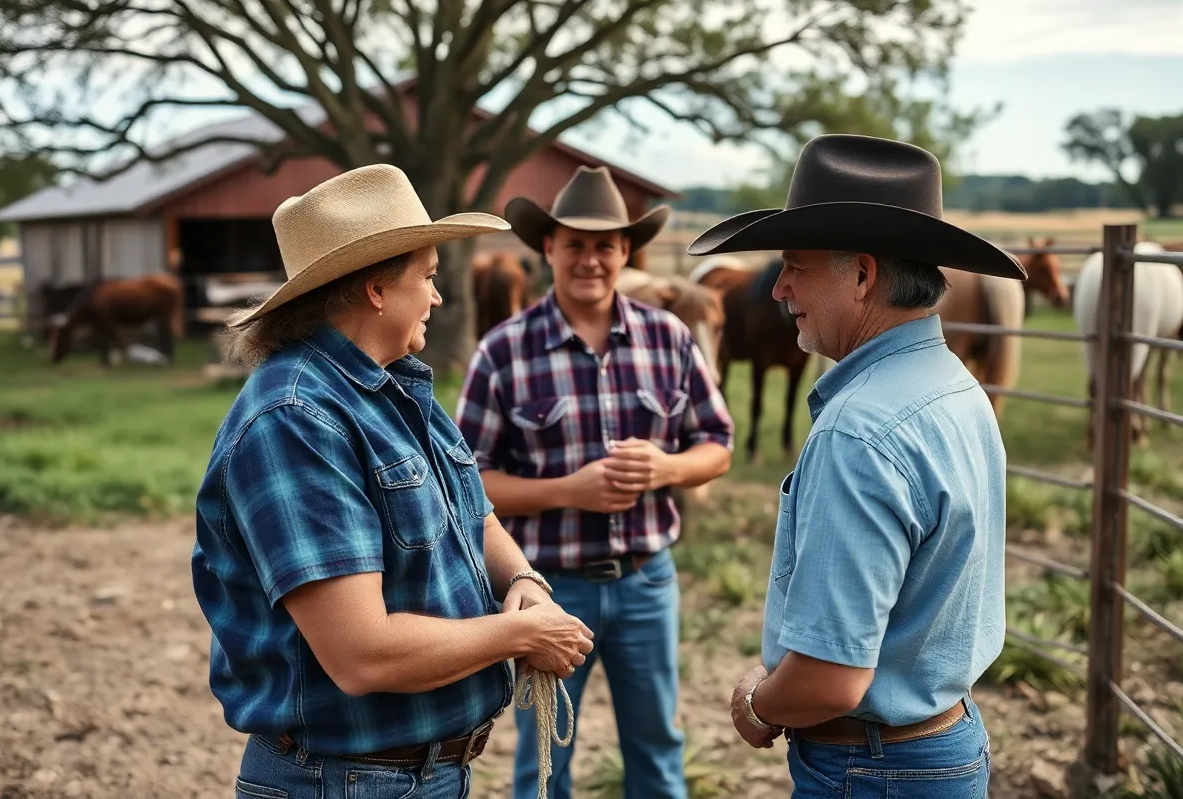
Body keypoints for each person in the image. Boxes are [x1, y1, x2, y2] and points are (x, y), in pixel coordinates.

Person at [190, 164, 594, 799]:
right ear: (376, 289)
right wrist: (519, 633)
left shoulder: (394, 387)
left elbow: (475, 511)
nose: (437, 296)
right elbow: (362, 654)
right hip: (345, 781)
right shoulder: (296, 421)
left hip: (408, 774)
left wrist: (521, 580)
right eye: (428, 277)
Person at [686, 134, 1028, 798]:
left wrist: (758, 706)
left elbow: (830, 678)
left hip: (871, 768)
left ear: (864, 275)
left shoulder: (858, 432)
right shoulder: (956, 387)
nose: (780, 288)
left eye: (796, 267)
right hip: (945, 741)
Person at [455, 165, 735, 799]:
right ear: (547, 248)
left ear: (625, 252)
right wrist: (566, 490)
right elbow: (467, 487)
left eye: (604, 245)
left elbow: (717, 445)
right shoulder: (503, 352)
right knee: (544, 760)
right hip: (550, 591)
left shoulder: (669, 338)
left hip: (647, 581)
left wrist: (667, 469)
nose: (590, 259)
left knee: (658, 752)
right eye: (574, 244)